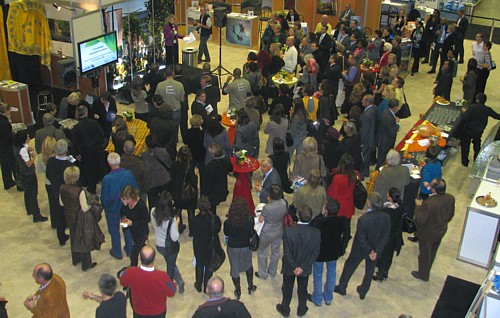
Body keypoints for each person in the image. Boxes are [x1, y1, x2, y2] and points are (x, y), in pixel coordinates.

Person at [335, 193, 390, 299]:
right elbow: (385, 236)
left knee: (350, 265)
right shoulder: (386, 217)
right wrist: (376, 251)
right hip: (376, 249)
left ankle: (342, 287)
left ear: (369, 203)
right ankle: (363, 290)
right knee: (369, 271)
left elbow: (361, 238)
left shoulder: (363, 219)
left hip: (360, 249)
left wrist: (369, 251)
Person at [276, 205, 321, 317]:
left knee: (287, 287)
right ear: (311, 217)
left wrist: (294, 266)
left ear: (298, 216)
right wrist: (302, 267)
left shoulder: (288, 231)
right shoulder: (316, 233)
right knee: (302, 288)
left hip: (289, 266)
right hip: (304, 267)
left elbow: (287, 252)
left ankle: (285, 309)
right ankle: (301, 309)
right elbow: (315, 253)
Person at [411, 179, 455, 281]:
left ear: (433, 189)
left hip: (427, 233)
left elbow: (420, 220)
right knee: (433, 251)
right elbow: (451, 215)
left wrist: (418, 207)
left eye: (430, 185)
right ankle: (427, 268)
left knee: (424, 255)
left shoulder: (429, 203)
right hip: (440, 230)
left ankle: (423, 275)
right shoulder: (450, 198)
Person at [59, 166, 99, 271]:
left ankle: (76, 259)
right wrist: (92, 203)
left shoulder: (62, 187)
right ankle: (86, 264)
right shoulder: (79, 191)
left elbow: (61, 203)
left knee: (73, 237)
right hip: (80, 218)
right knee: (83, 240)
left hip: (68, 217)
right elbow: (85, 208)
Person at [119, 246, 176, 317]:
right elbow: (172, 292)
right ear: (155, 258)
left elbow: (122, 282)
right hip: (158, 313)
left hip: (138, 311)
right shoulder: (162, 276)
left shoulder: (130, 272)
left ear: (140, 257)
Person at [310, 198, 347, 306]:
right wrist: (342, 248)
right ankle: (328, 297)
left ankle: (317, 298)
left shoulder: (319, 221)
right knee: (331, 273)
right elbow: (346, 235)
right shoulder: (342, 220)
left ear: (326, 210)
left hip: (320, 253)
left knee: (318, 275)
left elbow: (312, 227)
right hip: (334, 251)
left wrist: (320, 215)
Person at [101, 152, 138, 260]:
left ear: (109, 163)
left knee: (114, 231)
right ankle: (129, 249)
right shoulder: (128, 174)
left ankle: (117, 251)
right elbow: (135, 189)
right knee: (126, 228)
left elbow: (104, 198)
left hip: (112, 209)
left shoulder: (107, 179)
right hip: (125, 208)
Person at [150, 192, 185, 293]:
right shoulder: (172, 220)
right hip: (170, 247)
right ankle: (170, 287)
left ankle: (179, 280)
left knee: (171, 263)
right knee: (170, 268)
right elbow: (175, 237)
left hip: (159, 245)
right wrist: (177, 224)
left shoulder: (153, 212)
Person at [223, 198, 257, 299]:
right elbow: (251, 233)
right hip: (246, 246)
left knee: (234, 267)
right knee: (248, 265)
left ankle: (238, 290)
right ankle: (250, 285)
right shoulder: (250, 219)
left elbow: (226, 233)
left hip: (233, 247)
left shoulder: (228, 222)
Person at [327, 153, 359, 253]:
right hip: (349, 206)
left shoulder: (337, 178)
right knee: (346, 227)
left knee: (336, 230)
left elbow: (332, 195)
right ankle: (343, 246)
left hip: (339, 207)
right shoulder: (356, 175)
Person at [13, 130, 48, 223]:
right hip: (29, 174)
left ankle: (29, 209)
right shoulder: (23, 150)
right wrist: (33, 157)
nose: (29, 138)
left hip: (23, 174)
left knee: (27, 192)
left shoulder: (17, 148)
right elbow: (28, 164)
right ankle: (36, 215)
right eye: (27, 137)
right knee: (33, 194)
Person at [191, 195, 223, 292]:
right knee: (209, 265)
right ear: (209, 206)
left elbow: (192, 232)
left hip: (199, 245)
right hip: (211, 245)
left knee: (199, 264)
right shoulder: (215, 219)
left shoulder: (194, 220)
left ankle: (198, 283)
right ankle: (206, 286)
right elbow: (217, 230)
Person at [71, 105, 105, 194]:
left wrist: (77, 153)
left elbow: (75, 142)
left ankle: (92, 187)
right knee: (99, 166)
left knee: (89, 169)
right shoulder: (94, 123)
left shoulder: (76, 127)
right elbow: (102, 136)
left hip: (86, 152)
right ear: (86, 113)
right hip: (97, 149)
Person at [256, 184, 287, 280]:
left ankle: (262, 273)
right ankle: (272, 271)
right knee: (275, 252)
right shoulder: (284, 203)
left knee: (262, 252)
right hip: (279, 230)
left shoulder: (267, 207)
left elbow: (260, 220)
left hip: (267, 232)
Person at [46, 139, 75, 243]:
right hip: (68, 192)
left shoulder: (51, 161)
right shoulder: (69, 163)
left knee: (58, 214)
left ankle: (61, 236)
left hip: (56, 191)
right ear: (66, 149)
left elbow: (48, 175)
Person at [460, 93, 500, 167]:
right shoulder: (487, 109)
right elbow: (497, 116)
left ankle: (465, 162)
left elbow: (465, 118)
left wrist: (463, 112)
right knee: (477, 145)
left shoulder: (472, 107)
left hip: (468, 130)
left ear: (477, 99)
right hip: (478, 131)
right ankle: (476, 160)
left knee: (465, 146)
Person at [373, 187, 404, 282]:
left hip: (386, 235)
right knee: (389, 255)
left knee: (383, 255)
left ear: (390, 198)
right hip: (394, 235)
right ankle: (385, 271)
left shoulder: (386, 211)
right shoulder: (400, 207)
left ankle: (380, 274)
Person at [170, 146, 198, 234]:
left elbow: (171, 177)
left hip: (177, 191)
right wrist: (196, 175)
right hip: (188, 193)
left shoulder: (174, 165)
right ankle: (192, 231)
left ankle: (178, 227)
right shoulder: (190, 167)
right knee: (191, 212)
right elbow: (193, 182)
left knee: (178, 209)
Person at [120, 186, 150, 267]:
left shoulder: (141, 205)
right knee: (139, 247)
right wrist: (124, 222)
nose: (124, 201)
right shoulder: (126, 205)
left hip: (142, 231)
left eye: (126, 199)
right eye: (123, 199)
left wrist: (132, 223)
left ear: (132, 197)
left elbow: (146, 220)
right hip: (133, 231)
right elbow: (123, 213)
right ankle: (147, 255)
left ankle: (133, 270)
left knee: (134, 254)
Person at [141, 134, 171, 209]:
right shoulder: (163, 152)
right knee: (166, 201)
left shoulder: (143, 155)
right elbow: (169, 164)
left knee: (153, 204)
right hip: (164, 179)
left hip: (151, 182)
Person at [202, 143, 233, 215]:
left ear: (212, 155)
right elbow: (230, 168)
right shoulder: (226, 160)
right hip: (222, 187)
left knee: (212, 208)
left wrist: (204, 194)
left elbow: (206, 182)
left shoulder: (210, 166)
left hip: (212, 191)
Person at [376, 100, 400, 169]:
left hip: (383, 139)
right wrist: (397, 123)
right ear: (395, 107)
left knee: (381, 158)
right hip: (385, 142)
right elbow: (393, 131)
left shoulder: (386, 111)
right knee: (381, 160)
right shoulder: (388, 117)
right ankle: (377, 174)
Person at [358, 95, 377, 178]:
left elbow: (365, 130)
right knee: (367, 156)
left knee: (363, 157)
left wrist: (361, 141)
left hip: (366, 139)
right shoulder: (374, 109)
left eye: (363, 100)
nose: (362, 101)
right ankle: (366, 172)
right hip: (371, 137)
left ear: (368, 102)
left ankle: (362, 174)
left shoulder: (367, 114)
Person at [0, 103, 17, 190]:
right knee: (12, 163)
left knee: (4, 165)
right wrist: (13, 134)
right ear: (6, 111)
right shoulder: (5, 123)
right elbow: (8, 137)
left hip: (1, 146)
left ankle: (7, 181)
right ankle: (13, 181)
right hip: (6, 147)